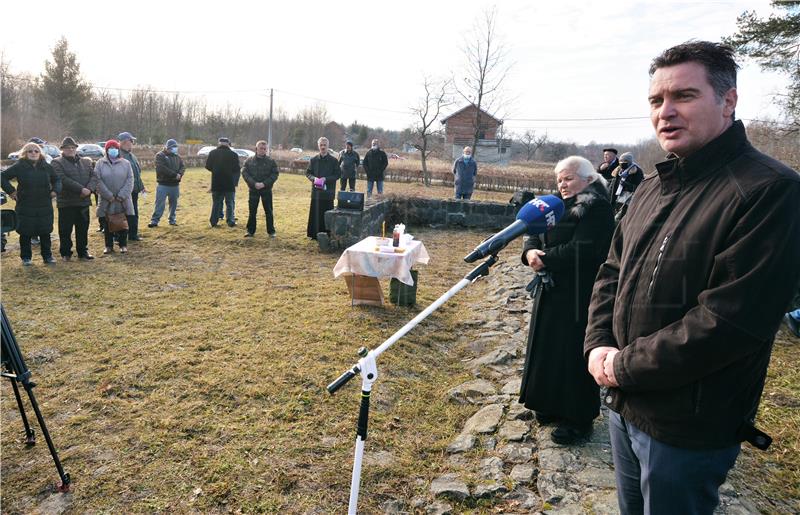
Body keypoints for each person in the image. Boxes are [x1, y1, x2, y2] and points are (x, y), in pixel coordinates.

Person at [585, 41, 800, 515]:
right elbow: (611, 273)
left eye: (683, 96)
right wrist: (598, 345)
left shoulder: (768, 190)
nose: (666, 112)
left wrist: (622, 366)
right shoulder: (652, 187)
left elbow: (730, 320)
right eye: (656, 101)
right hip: (623, 403)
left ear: (728, 101)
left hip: (688, 423)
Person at [519, 156, 614, 444]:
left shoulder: (597, 208)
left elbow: (584, 249)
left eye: (569, 178)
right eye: (559, 179)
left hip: (579, 291)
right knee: (547, 345)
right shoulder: (555, 205)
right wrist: (530, 253)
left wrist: (544, 259)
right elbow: (532, 232)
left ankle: (578, 417)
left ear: (588, 179)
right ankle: (548, 402)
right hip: (552, 288)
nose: (562, 183)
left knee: (572, 350)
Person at [1, 142, 62, 265]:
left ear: (40, 153)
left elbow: (57, 180)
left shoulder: (46, 166)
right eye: (30, 151)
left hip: (44, 205)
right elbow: (2, 176)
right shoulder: (19, 166)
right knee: (25, 232)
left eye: (36, 151)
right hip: (25, 205)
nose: (33, 153)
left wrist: (55, 190)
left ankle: (47, 256)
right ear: (25, 153)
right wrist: (11, 191)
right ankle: (26, 258)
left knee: (45, 231)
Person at [51, 137, 97, 261]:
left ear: (76, 148)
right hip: (67, 202)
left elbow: (94, 177)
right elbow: (62, 179)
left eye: (73, 147)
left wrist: (89, 189)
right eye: (67, 148)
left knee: (83, 228)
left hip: (83, 202)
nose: (71, 150)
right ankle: (66, 253)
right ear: (62, 150)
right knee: (65, 229)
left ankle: (83, 251)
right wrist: (81, 189)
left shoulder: (86, 162)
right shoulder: (57, 162)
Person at [95, 140, 134, 254]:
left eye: (115, 148)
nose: (113, 150)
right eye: (111, 148)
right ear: (107, 150)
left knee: (122, 221)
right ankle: (108, 245)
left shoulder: (126, 163)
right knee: (107, 222)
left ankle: (123, 244)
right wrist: (109, 195)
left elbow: (130, 180)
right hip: (107, 199)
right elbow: (97, 180)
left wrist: (122, 195)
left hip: (123, 199)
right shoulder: (100, 163)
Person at [241, 140, 279, 238]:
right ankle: (250, 231)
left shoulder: (271, 161)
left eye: (264, 149)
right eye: (261, 148)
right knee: (252, 211)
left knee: (269, 211)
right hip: (253, 190)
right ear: (256, 148)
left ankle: (271, 232)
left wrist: (264, 184)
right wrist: (254, 183)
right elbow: (245, 173)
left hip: (266, 190)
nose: (263, 150)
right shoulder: (249, 161)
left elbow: (275, 174)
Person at [305, 137, 340, 239]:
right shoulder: (313, 160)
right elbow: (308, 173)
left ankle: (327, 234)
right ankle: (314, 234)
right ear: (318, 146)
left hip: (328, 193)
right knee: (315, 214)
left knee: (327, 214)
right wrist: (314, 178)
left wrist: (326, 179)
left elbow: (337, 175)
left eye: (325, 145)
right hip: (316, 192)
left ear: (328, 146)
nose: (323, 147)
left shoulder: (334, 161)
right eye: (321, 145)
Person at [148, 139, 184, 228]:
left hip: (175, 185)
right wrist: (174, 174)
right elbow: (161, 168)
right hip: (163, 185)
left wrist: (180, 174)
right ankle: (154, 221)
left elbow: (182, 167)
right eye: (173, 147)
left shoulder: (177, 157)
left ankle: (172, 220)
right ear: (168, 147)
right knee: (160, 203)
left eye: (176, 147)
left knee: (174, 204)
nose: (175, 149)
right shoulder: (160, 156)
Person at [205, 137, 240, 227]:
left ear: (219, 144)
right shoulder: (233, 155)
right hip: (229, 182)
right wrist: (235, 182)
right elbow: (237, 169)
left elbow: (208, 166)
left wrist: (216, 170)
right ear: (228, 144)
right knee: (230, 203)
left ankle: (214, 221)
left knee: (216, 202)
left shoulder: (212, 153)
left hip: (216, 182)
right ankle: (230, 221)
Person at [118, 132, 146, 241]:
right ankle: (120, 236)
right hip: (124, 191)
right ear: (125, 142)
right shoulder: (118, 156)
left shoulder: (132, 156)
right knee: (123, 214)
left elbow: (137, 174)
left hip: (134, 190)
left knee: (133, 212)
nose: (133, 143)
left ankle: (133, 234)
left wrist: (141, 186)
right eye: (131, 141)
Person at [608, 151, 643, 222]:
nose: (622, 162)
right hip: (616, 200)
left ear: (629, 161)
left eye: (625, 161)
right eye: (621, 161)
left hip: (628, 202)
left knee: (618, 220)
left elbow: (639, 188)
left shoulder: (637, 171)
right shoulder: (618, 171)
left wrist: (626, 185)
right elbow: (613, 185)